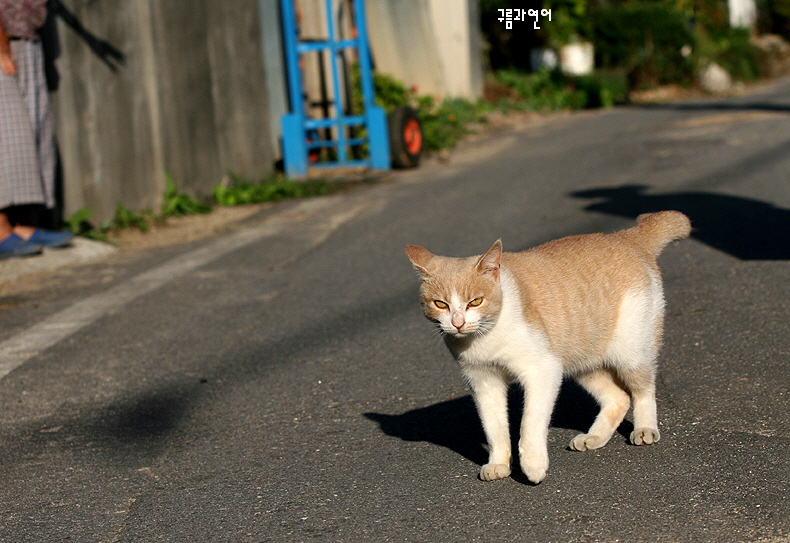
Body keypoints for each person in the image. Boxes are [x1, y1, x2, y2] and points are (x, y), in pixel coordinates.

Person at [0, 0, 72, 259]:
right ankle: (2, 231)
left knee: (30, 134)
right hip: (6, 37)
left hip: (24, 34)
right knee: (6, 134)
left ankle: (20, 226)